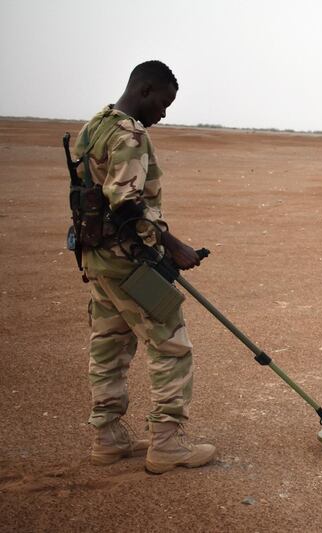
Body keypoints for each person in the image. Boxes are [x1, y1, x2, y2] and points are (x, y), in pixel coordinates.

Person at [73, 60, 215, 474]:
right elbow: (126, 203)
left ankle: (108, 437)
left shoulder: (95, 126)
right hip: (129, 262)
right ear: (146, 90)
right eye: (164, 104)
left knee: (109, 346)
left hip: (96, 257)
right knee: (171, 345)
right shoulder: (130, 133)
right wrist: (173, 246)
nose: (164, 114)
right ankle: (168, 444)